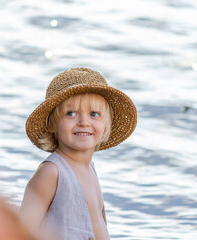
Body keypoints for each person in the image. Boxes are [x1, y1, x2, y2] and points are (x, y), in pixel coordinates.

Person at [20, 67, 137, 240]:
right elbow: (19, 231)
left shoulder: (90, 170)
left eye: (94, 114)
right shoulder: (51, 173)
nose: (84, 122)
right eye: (71, 113)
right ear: (51, 124)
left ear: (106, 125)